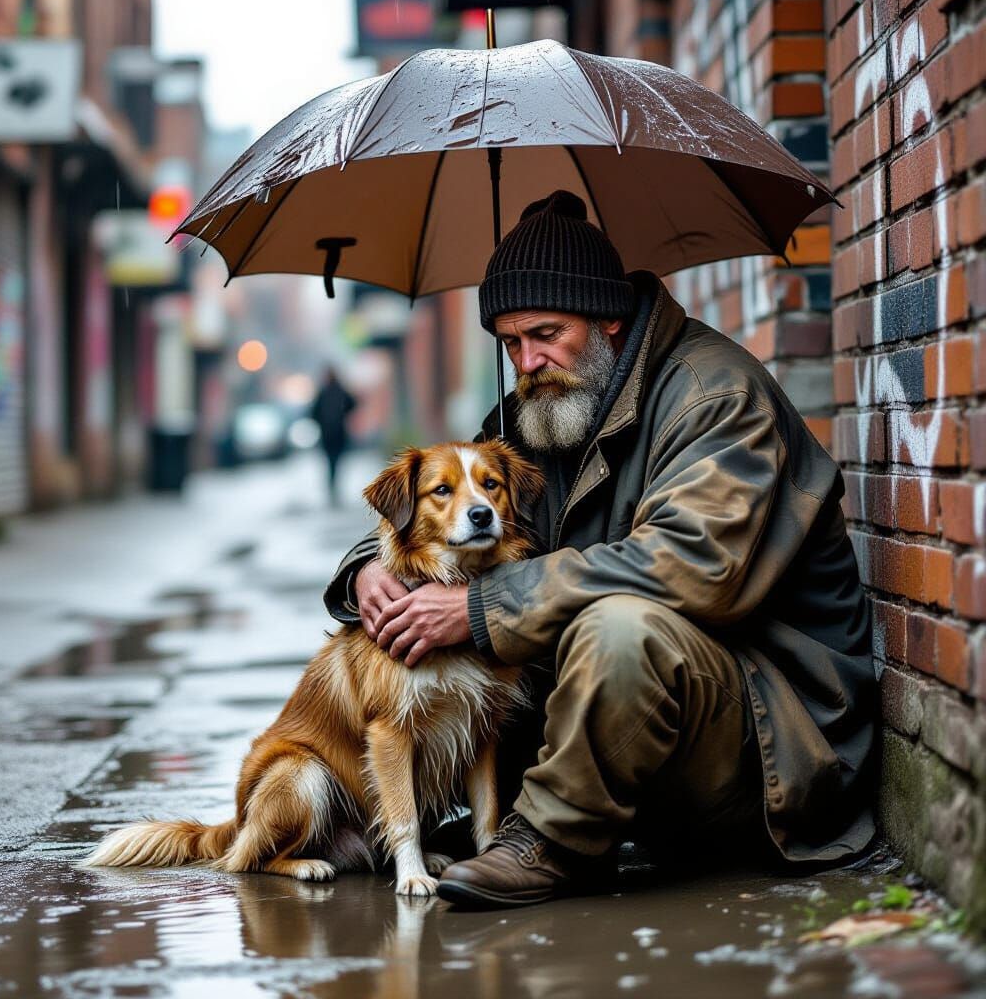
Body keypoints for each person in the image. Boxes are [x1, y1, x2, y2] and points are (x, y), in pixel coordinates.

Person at [323, 190, 876, 909]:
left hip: (776, 740)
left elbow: (693, 569)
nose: (529, 361)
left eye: (546, 333)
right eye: (511, 343)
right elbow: (444, 505)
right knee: (463, 641)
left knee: (616, 629)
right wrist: (366, 571)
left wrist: (481, 609)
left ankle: (550, 842)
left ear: (609, 317)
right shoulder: (540, 411)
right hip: (655, 730)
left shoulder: (714, 397)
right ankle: (472, 820)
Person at [310, 368, 356, 506]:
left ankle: (332, 485)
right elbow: (352, 403)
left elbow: (313, 412)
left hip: (328, 434)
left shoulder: (323, 393)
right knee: (336, 461)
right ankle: (334, 485)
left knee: (331, 461)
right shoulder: (339, 391)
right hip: (338, 433)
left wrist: (322, 422)